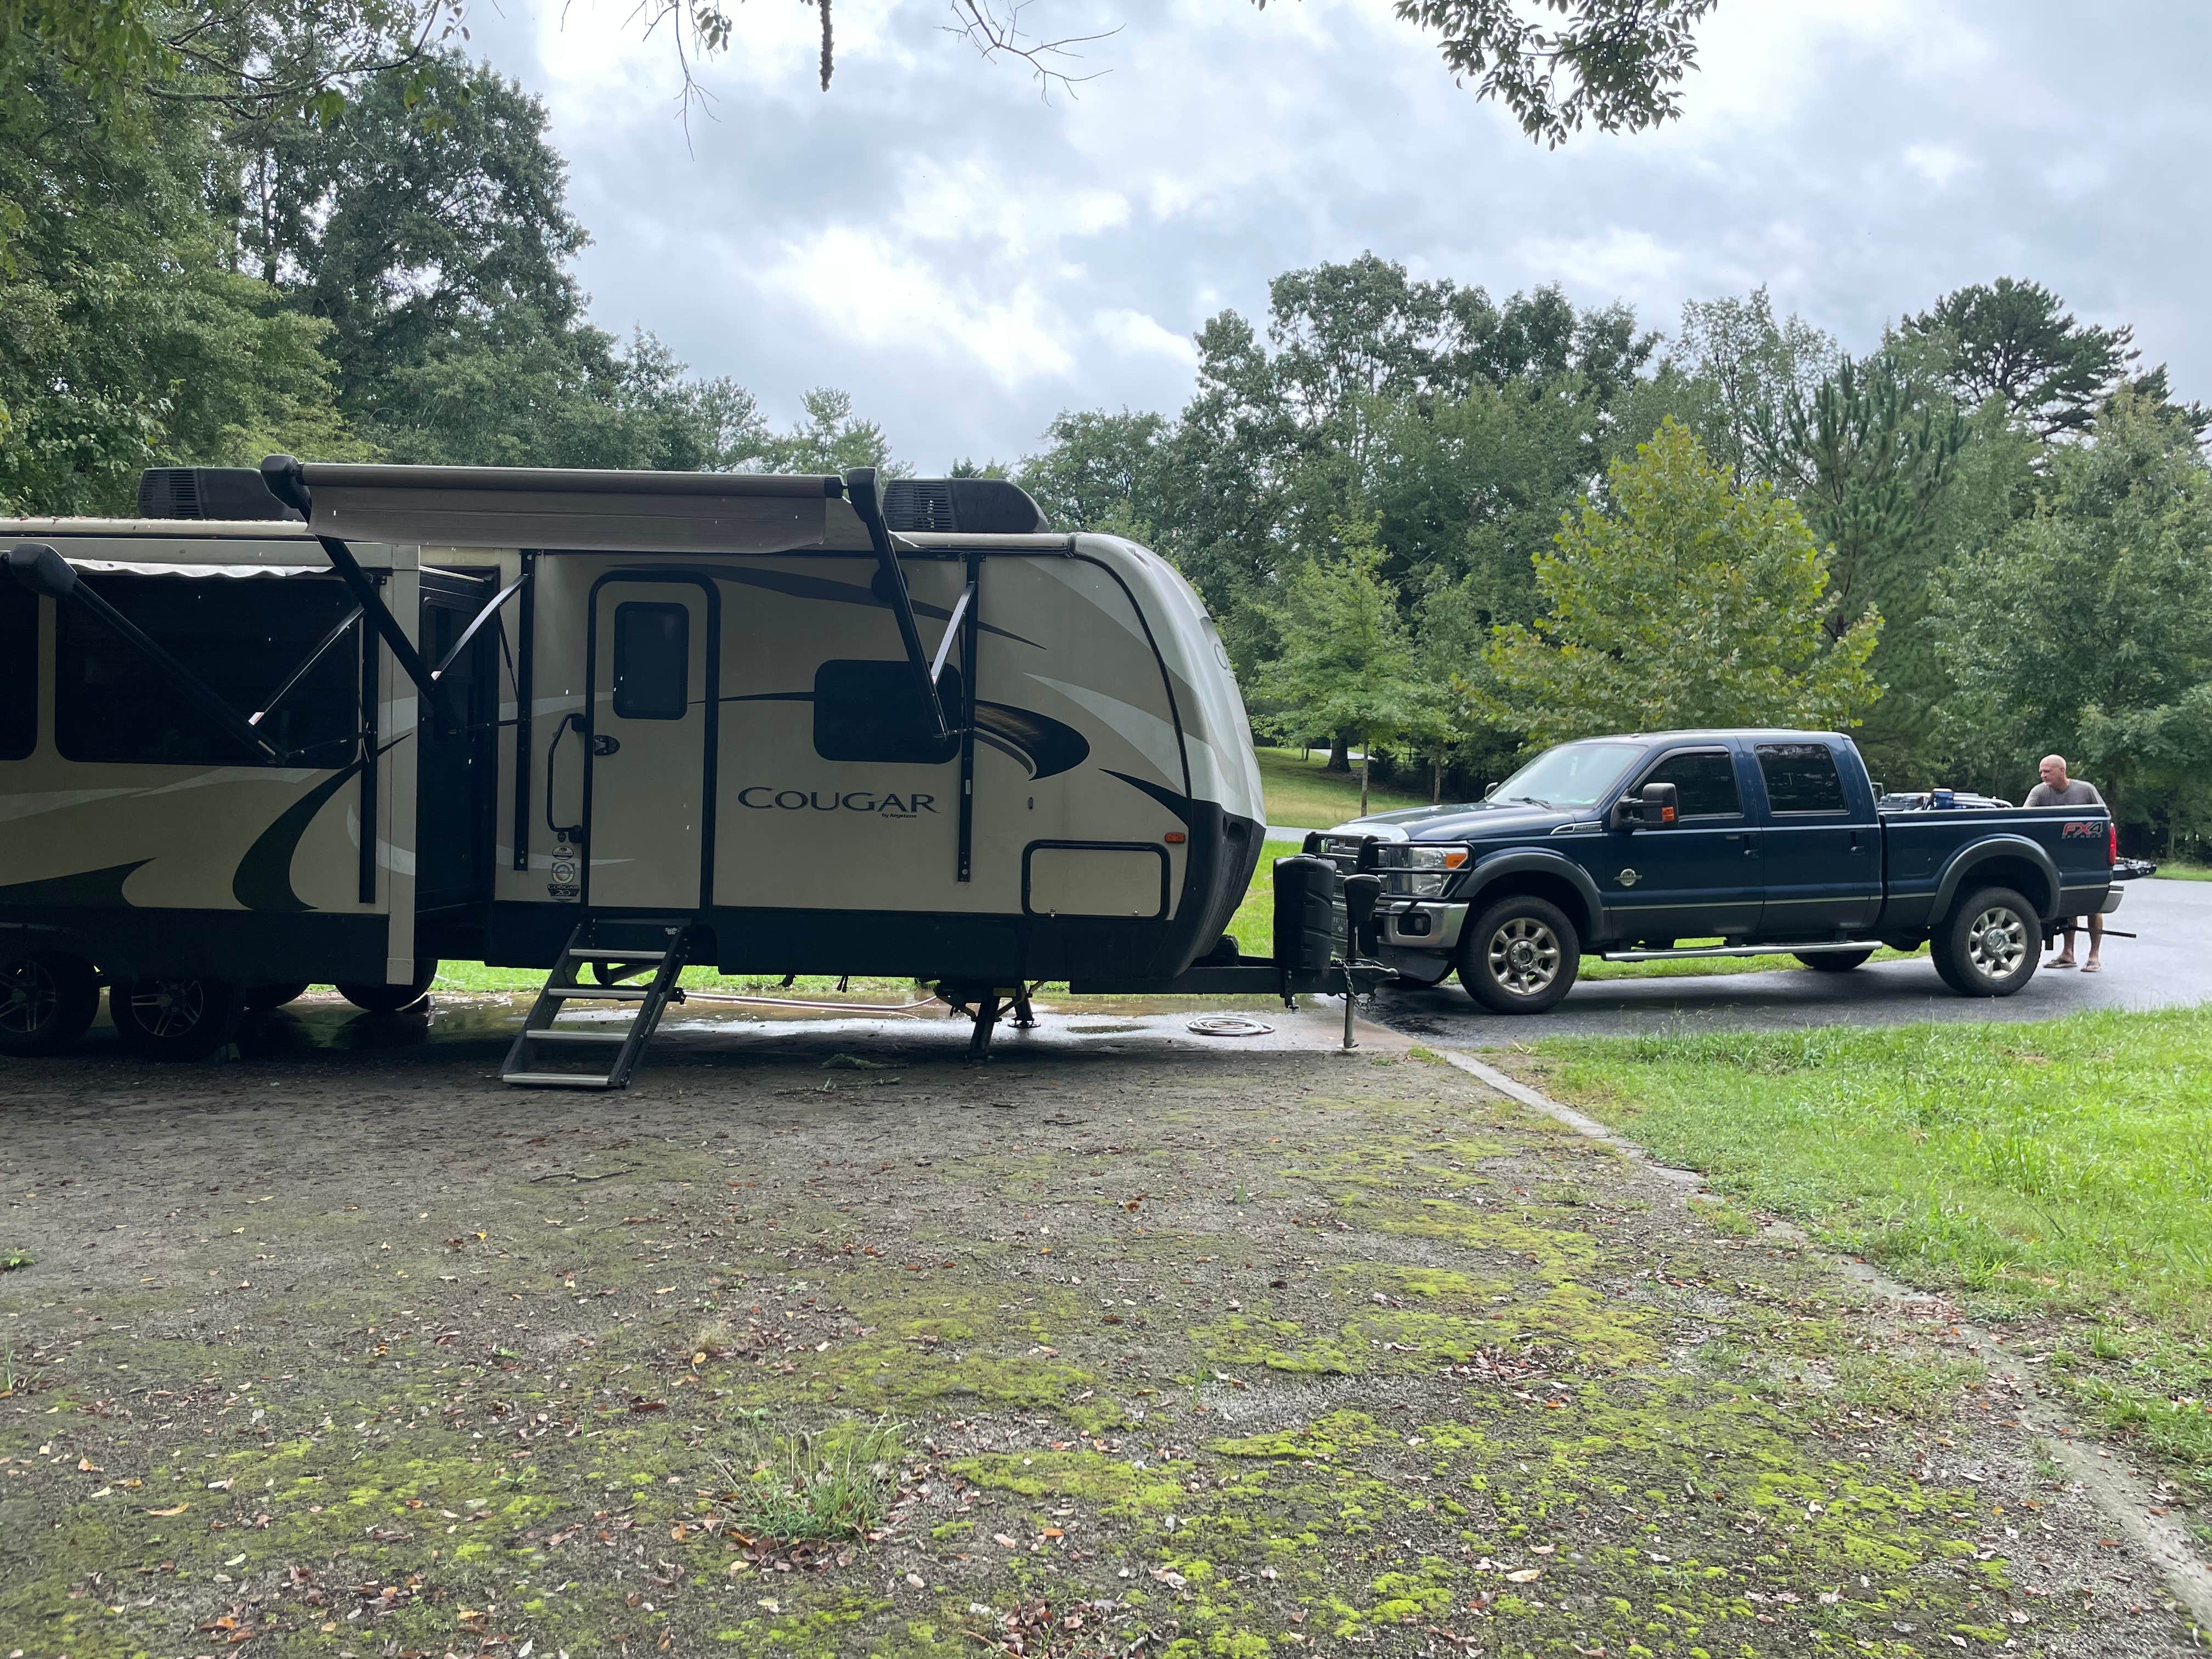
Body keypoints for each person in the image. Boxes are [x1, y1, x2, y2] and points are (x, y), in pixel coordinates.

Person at [2024, 754, 2106, 972]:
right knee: (2069, 905)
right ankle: (2068, 954)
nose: (2042, 775)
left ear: (2062, 771)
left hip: (2088, 857)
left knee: (2092, 905)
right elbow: (2024, 820)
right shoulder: (2039, 792)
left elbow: (2104, 819)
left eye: (2047, 771)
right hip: (2058, 858)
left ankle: (2094, 955)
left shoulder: (2085, 790)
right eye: (2041, 771)